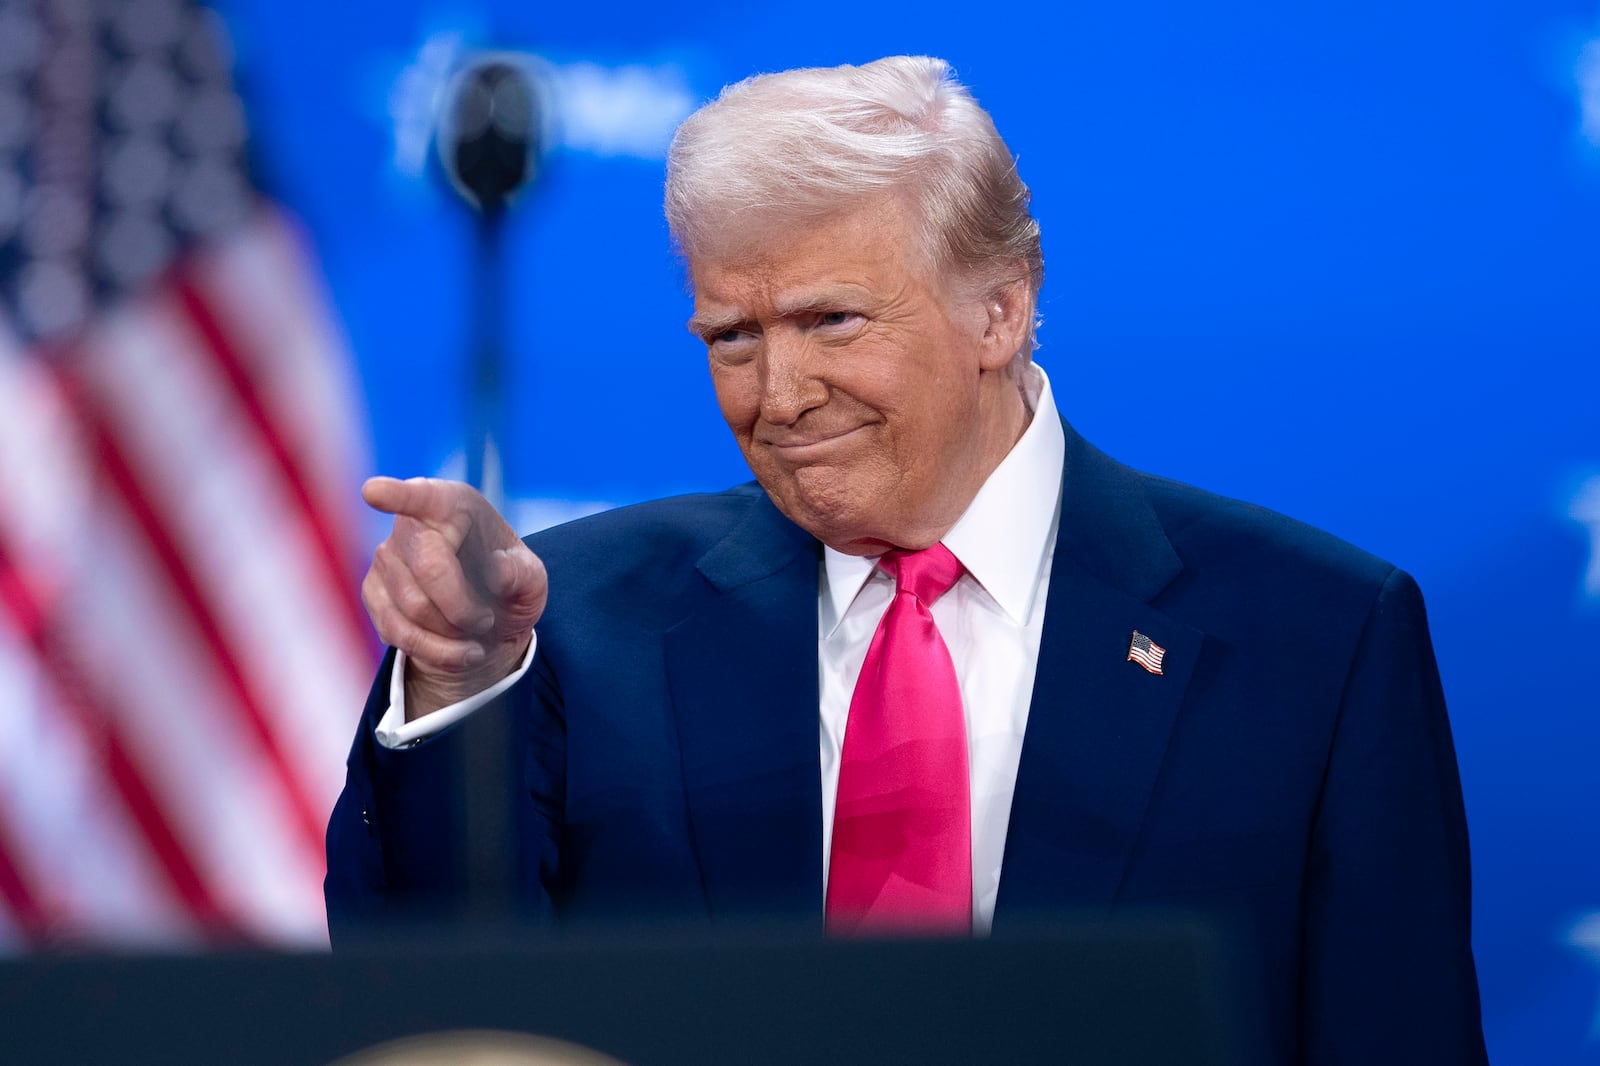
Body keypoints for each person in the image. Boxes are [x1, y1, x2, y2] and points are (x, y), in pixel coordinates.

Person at [326, 56, 1486, 1063]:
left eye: (832, 322)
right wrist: (461, 685)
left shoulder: (1315, 639)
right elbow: (441, 1014)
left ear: (1000, 313)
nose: (778, 397)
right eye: (733, 337)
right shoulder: (576, 627)